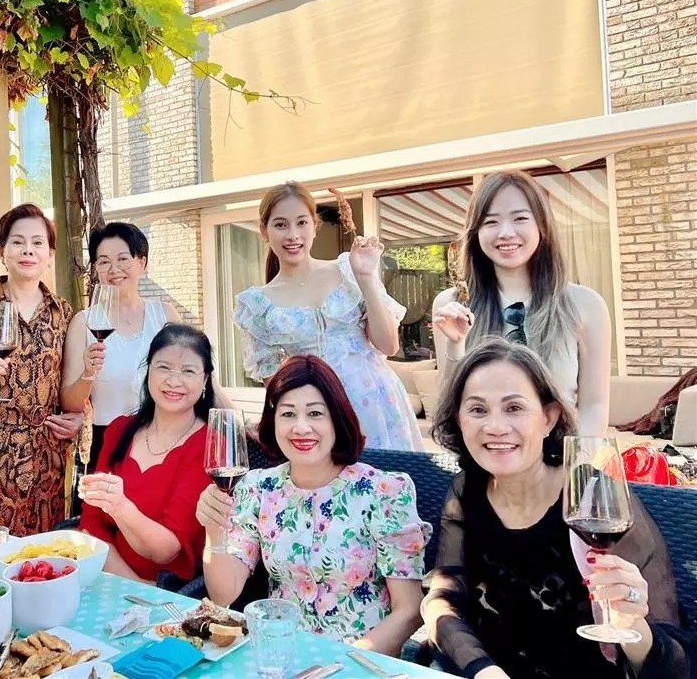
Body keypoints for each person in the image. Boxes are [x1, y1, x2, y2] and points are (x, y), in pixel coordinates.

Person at [423, 338, 691, 679]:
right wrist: (483, 669)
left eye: (514, 408)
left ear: (549, 417)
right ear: (459, 420)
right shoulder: (466, 490)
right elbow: (444, 597)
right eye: (478, 410)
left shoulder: (593, 497)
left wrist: (632, 623)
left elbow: (674, 665)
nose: (495, 427)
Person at [196, 355, 430, 651]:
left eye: (315, 413)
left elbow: (408, 610)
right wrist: (214, 530)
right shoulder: (258, 487)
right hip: (280, 654)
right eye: (288, 414)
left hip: (363, 658)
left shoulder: (384, 491)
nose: (301, 427)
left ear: (337, 419)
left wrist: (345, 662)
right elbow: (224, 595)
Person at [235, 180, 423, 450]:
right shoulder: (257, 304)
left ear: (314, 226)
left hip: (376, 403)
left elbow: (388, 345)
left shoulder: (349, 269)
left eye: (301, 222)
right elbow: (277, 389)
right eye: (280, 224)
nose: (293, 235)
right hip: (316, 418)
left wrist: (366, 278)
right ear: (264, 231)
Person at [432, 170, 611, 436]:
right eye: (491, 222)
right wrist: (456, 345)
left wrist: (576, 457)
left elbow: (594, 406)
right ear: (476, 231)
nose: (506, 232)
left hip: (560, 455)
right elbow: (450, 407)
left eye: (520, 218)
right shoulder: (452, 306)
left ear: (542, 225)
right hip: (486, 454)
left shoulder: (585, 305)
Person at [0, 203, 82, 535]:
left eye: (38, 243)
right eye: (18, 242)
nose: (28, 250)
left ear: (50, 254)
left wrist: (80, 418)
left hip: (46, 462)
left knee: (43, 556)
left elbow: (72, 386)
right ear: (2, 250)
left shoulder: (63, 313)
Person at [78, 323, 214, 583]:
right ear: (148, 370)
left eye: (188, 371)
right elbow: (91, 525)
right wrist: (133, 587)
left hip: (171, 594)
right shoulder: (119, 430)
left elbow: (167, 551)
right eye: (164, 367)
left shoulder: (209, 446)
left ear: (205, 380)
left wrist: (120, 506)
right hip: (110, 581)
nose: (174, 381)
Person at [61, 222, 180, 469]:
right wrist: (88, 373)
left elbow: (195, 375)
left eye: (123, 259)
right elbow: (69, 403)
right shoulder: (84, 323)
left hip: (164, 440)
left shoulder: (165, 316)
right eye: (104, 262)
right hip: (108, 444)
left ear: (142, 263)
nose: (114, 269)